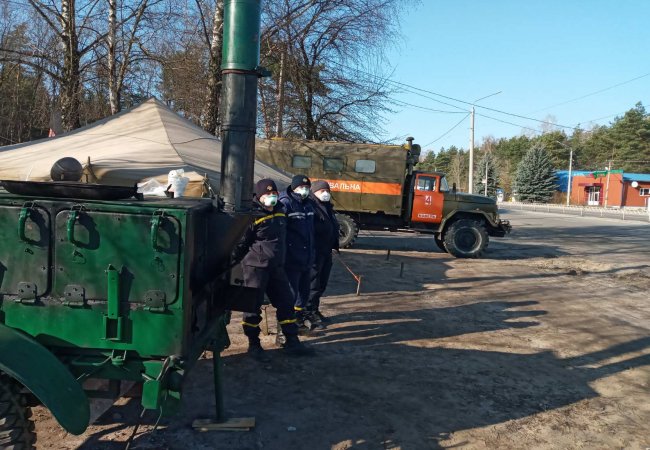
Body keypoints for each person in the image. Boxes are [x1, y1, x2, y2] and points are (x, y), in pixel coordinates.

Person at [232, 178, 315, 360]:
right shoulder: (253, 215)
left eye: (274, 193)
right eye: (267, 194)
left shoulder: (281, 211)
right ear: (259, 196)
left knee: (286, 302)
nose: (271, 196)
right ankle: (254, 345)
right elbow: (241, 243)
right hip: (256, 268)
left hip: (277, 267)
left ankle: (291, 341)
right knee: (252, 307)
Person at [279, 175, 315, 331]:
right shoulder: (286, 203)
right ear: (294, 188)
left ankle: (298, 319)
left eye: (307, 187)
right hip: (292, 258)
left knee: (304, 292)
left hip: (307, 258)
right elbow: (281, 231)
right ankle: (284, 327)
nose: (304, 190)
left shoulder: (309, 205)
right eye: (301, 187)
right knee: (290, 294)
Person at [307, 180, 339, 329]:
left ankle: (314, 309)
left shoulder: (327, 207)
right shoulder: (311, 207)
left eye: (327, 191)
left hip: (326, 252)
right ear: (314, 192)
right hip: (315, 252)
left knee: (321, 283)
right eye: (322, 191)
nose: (325, 193)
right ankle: (308, 313)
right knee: (312, 284)